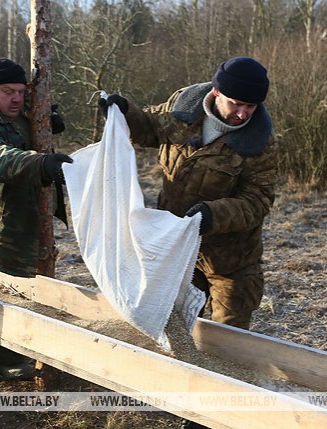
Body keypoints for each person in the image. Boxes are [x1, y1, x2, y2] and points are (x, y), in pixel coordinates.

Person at [99, 56, 278, 331]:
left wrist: (212, 214)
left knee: (228, 343)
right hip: (176, 250)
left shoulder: (261, 143)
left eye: (250, 106)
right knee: (171, 329)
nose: (242, 114)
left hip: (230, 262)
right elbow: (149, 127)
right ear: (216, 92)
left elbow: (257, 201)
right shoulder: (182, 108)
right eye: (236, 104)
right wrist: (124, 112)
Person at [0, 57, 71, 379]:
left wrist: (46, 121)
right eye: (9, 92)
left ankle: (32, 342)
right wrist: (42, 164)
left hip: (29, 206)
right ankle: (5, 358)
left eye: (21, 91)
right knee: (3, 280)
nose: (18, 99)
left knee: (33, 279)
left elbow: (36, 108)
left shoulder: (16, 103)